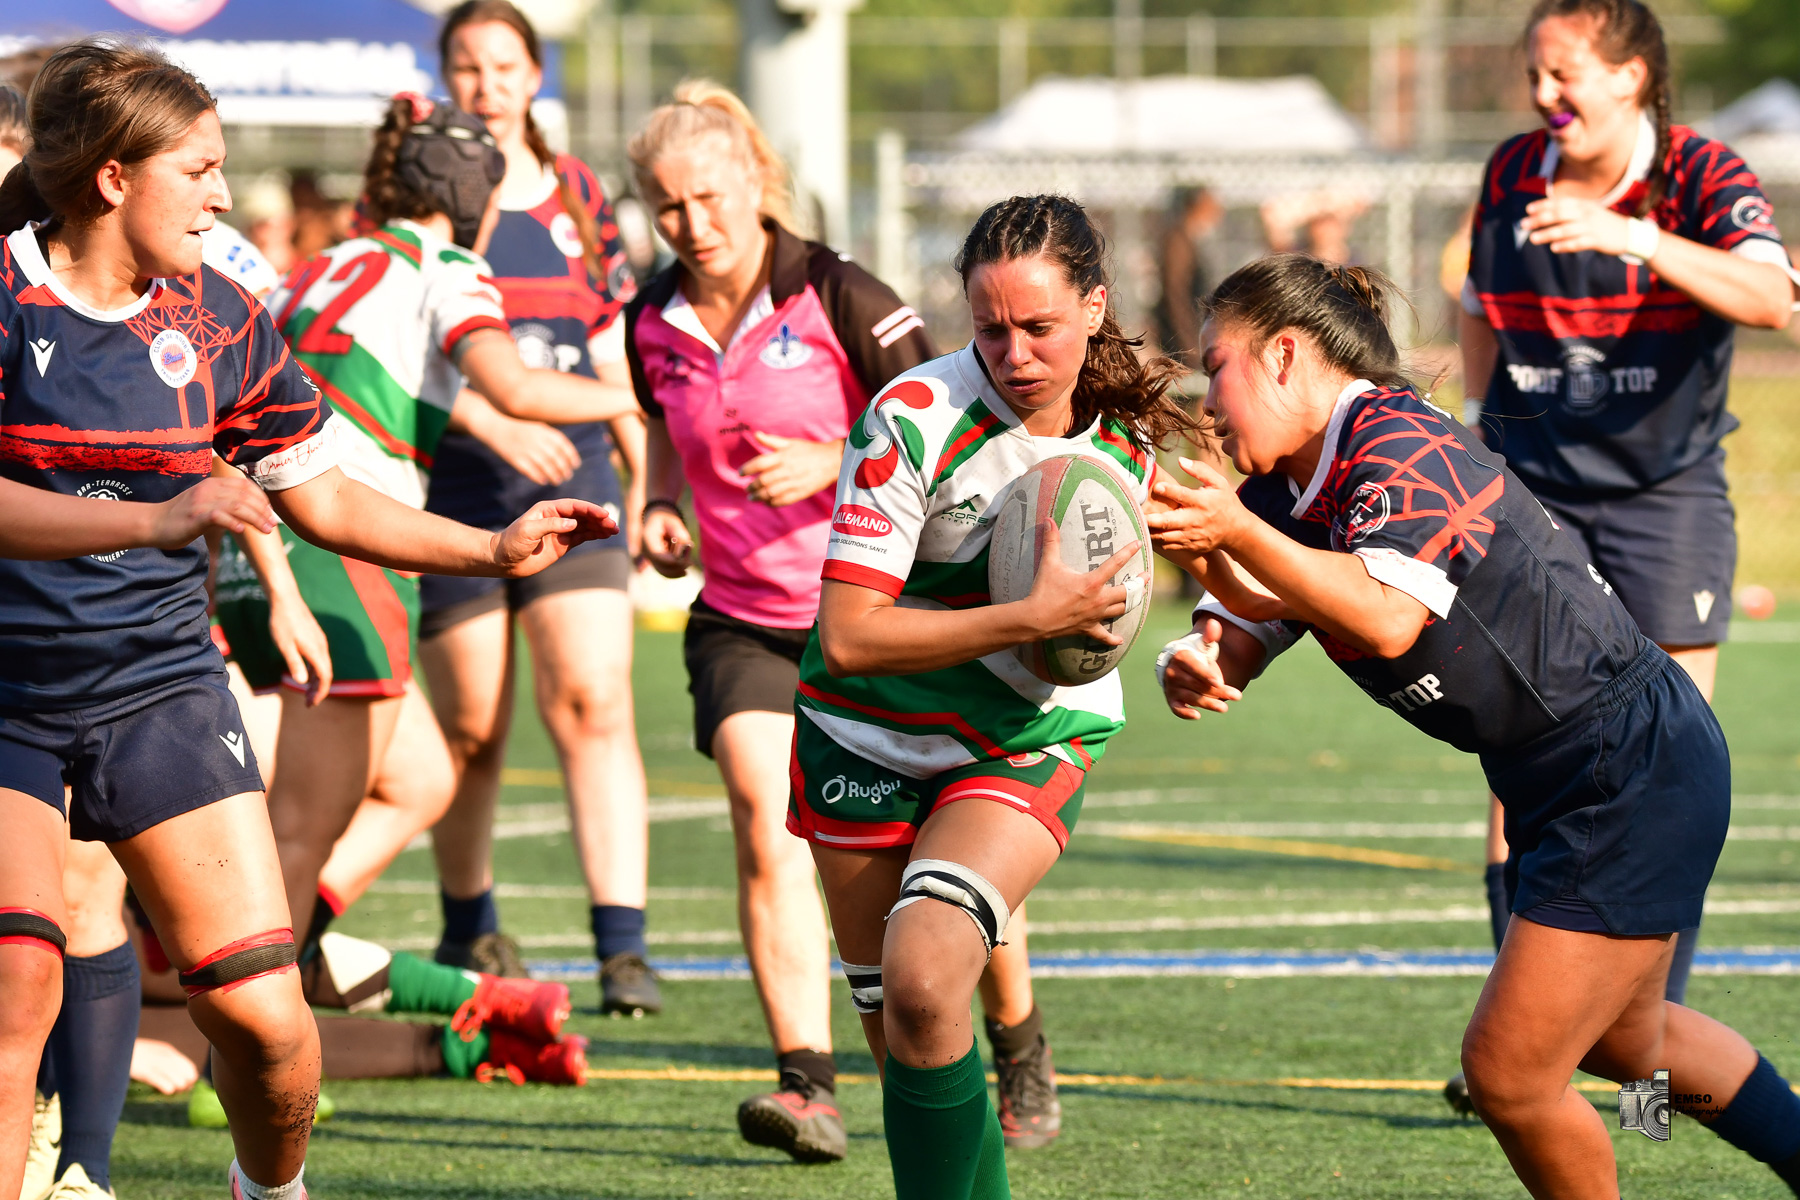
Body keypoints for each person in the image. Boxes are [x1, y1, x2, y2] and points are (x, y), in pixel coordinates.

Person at [0, 41, 614, 1200]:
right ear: (116, 180)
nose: (226, 196)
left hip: (161, 694)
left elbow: (324, 493)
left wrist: (490, 544)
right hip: (9, 701)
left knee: (272, 1026)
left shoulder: (222, 320)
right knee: (14, 987)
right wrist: (154, 521)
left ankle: (268, 1190)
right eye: (202, 170)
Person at [1151, 252, 1800, 1199]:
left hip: (1626, 765)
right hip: (1572, 772)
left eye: (1219, 365)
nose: (1207, 396)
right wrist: (1208, 645)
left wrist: (1235, 539)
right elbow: (1260, 607)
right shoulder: (1287, 479)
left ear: (1286, 355)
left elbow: (1380, 614)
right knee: (1633, 1047)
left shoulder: (1396, 439)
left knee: (1510, 1076)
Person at [627, 91, 1072, 1163]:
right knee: (758, 809)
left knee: (938, 865)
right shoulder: (650, 317)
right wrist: (658, 503)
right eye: (668, 207)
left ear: (756, 184)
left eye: (709, 197)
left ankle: (1016, 1037)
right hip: (747, 621)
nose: (693, 223)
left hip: (897, 620)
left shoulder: (841, 294)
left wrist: (832, 462)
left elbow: (945, 420)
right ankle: (807, 1083)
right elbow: (656, 423)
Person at [795, 193, 1190, 1200]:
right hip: (862, 740)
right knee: (909, 1036)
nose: (1013, 353)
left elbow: (1207, 556)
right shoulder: (914, 418)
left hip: (1024, 738)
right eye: (990, 328)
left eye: (1040, 327)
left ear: (1095, 305)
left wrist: (1226, 639)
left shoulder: (1130, 439)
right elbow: (846, 637)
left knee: (928, 976)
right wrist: (1028, 617)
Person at [1460, 0, 1799, 1009]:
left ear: (1631, 77)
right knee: (1517, 771)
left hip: (1667, 497)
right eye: (1534, 73)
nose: (1542, 94)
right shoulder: (1512, 171)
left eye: (1564, 73)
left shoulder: (1700, 172)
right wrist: (1482, 431)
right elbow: (1479, 308)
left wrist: (1630, 237)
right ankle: (1526, 1048)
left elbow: (1771, 297)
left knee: (1670, 777)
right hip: (1537, 495)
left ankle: (1651, 1063)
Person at [418, 0, 656, 1008]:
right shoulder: (418, 197)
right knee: (471, 726)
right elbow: (390, 353)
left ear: (533, 75)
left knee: (593, 702)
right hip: (459, 495)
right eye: (466, 65)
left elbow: (615, 349)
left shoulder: (580, 193)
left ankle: (622, 946)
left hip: (579, 487)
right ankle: (469, 925)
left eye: (504, 63)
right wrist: (494, 419)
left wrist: (648, 477)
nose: (486, 82)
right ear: (446, 79)